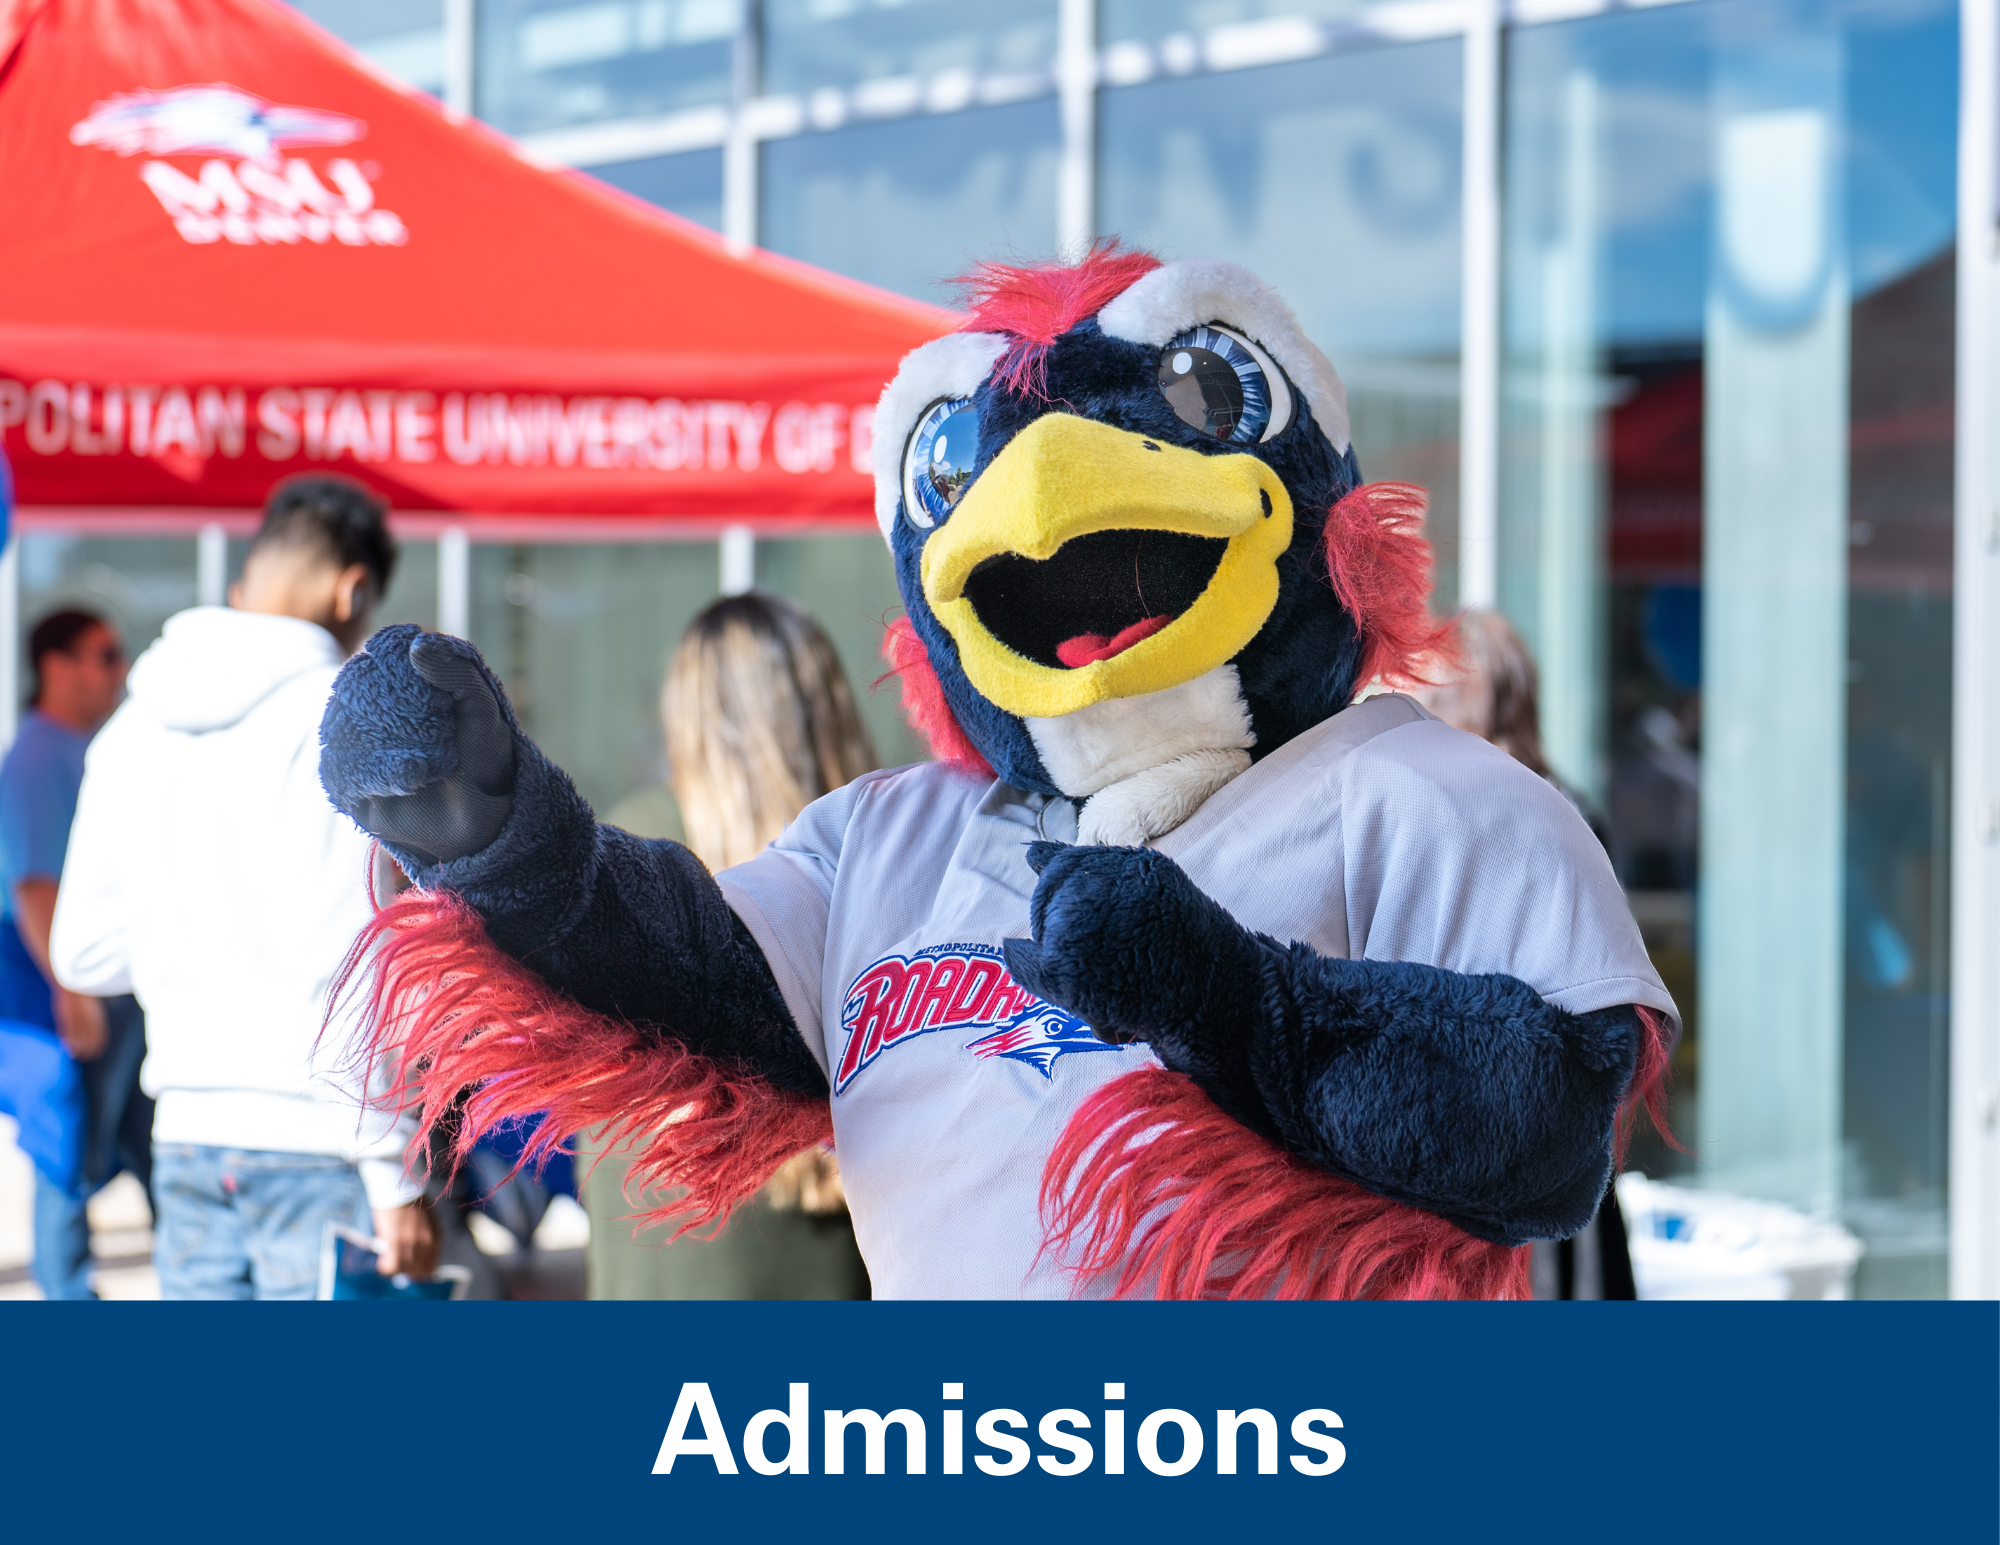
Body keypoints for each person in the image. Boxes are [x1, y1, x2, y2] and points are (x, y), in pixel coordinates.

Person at [50, 476, 437, 1299]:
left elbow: (83, 951)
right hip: (320, 1146)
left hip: (187, 1136)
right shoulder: (340, 720)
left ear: (243, 583)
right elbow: (360, 956)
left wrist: (191, 942)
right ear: (352, 589)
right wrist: (392, 1168)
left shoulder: (131, 726)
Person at [591, 591, 875, 1299]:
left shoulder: (631, 852)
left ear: (683, 716)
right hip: (838, 1263)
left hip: (663, 1262)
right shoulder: (881, 857)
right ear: (825, 705)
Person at [1413, 607, 1637, 1300]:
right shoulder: (1559, 806)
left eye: (1432, 697)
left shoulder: (1505, 811)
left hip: (1511, 1132)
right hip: (1536, 1129)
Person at [0, 609, 149, 1299]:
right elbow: (34, 884)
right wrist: (75, 991)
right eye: (106, 654)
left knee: (125, 1140)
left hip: (91, 985)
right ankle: (69, 1301)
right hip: (63, 993)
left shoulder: (75, 746)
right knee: (69, 1151)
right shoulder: (37, 754)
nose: (119, 669)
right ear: (57, 666)